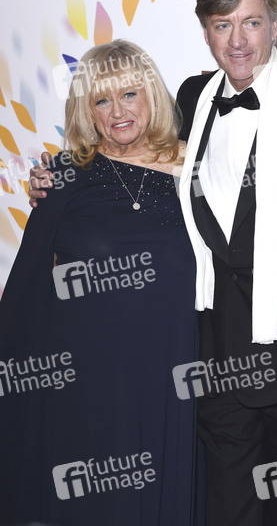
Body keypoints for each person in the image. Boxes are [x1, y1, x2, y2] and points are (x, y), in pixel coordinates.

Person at [29, 0, 277, 526]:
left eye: (251, 22)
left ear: (275, 25)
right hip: (215, 364)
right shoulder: (194, 99)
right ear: (206, 33)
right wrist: (57, 174)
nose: (237, 40)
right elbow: (129, 140)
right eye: (223, 25)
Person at [0, 39, 200, 526]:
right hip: (90, 385)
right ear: (87, 111)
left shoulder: (197, 168)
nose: (118, 112)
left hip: (174, 372)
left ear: (151, 95)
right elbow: (27, 294)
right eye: (102, 100)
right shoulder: (65, 176)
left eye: (129, 94)